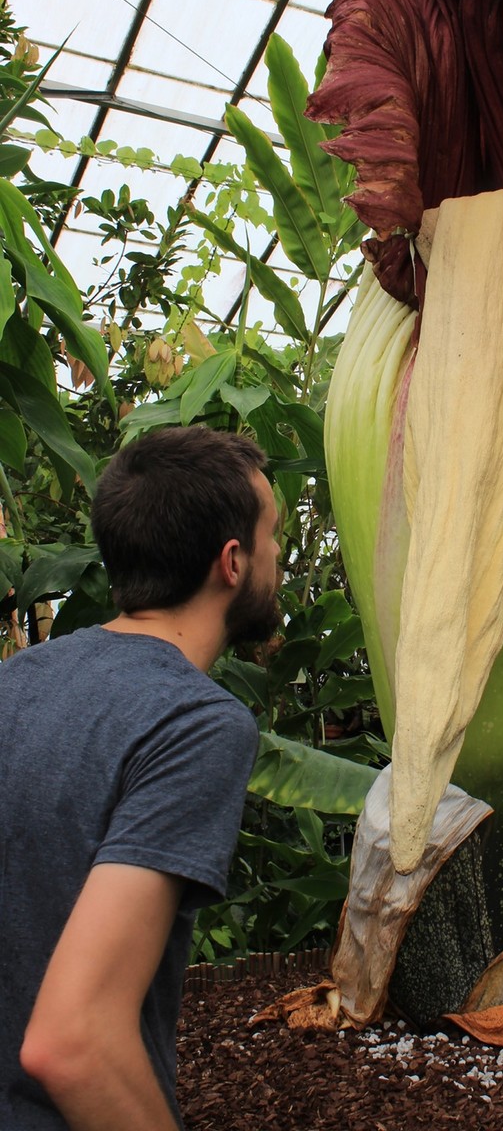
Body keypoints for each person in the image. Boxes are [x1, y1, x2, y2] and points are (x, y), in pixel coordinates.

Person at [0, 425, 282, 1130]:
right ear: (232, 562)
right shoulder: (192, 723)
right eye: (273, 536)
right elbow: (74, 1042)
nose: (279, 554)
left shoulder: (15, 683)